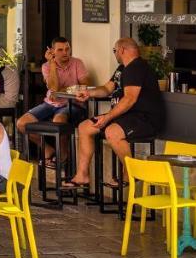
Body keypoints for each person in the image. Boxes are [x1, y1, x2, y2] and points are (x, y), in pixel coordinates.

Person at [65, 37, 165, 189]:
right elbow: (106, 89)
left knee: (112, 132)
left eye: (114, 51)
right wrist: (88, 93)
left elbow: (130, 99)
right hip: (123, 117)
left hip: (144, 119)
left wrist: (107, 117)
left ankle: (129, 173)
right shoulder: (122, 68)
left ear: (122, 50)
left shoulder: (137, 67)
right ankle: (82, 175)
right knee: (85, 127)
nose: (114, 54)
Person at [14, 37, 89, 163]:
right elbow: (53, 87)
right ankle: (48, 150)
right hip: (50, 103)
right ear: (52, 52)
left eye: (67, 49)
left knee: (59, 120)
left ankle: (63, 155)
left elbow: (84, 86)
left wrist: (62, 90)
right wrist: (53, 64)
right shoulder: (46, 66)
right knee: (21, 124)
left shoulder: (77, 63)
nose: (65, 52)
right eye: (60, 50)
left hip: (73, 104)